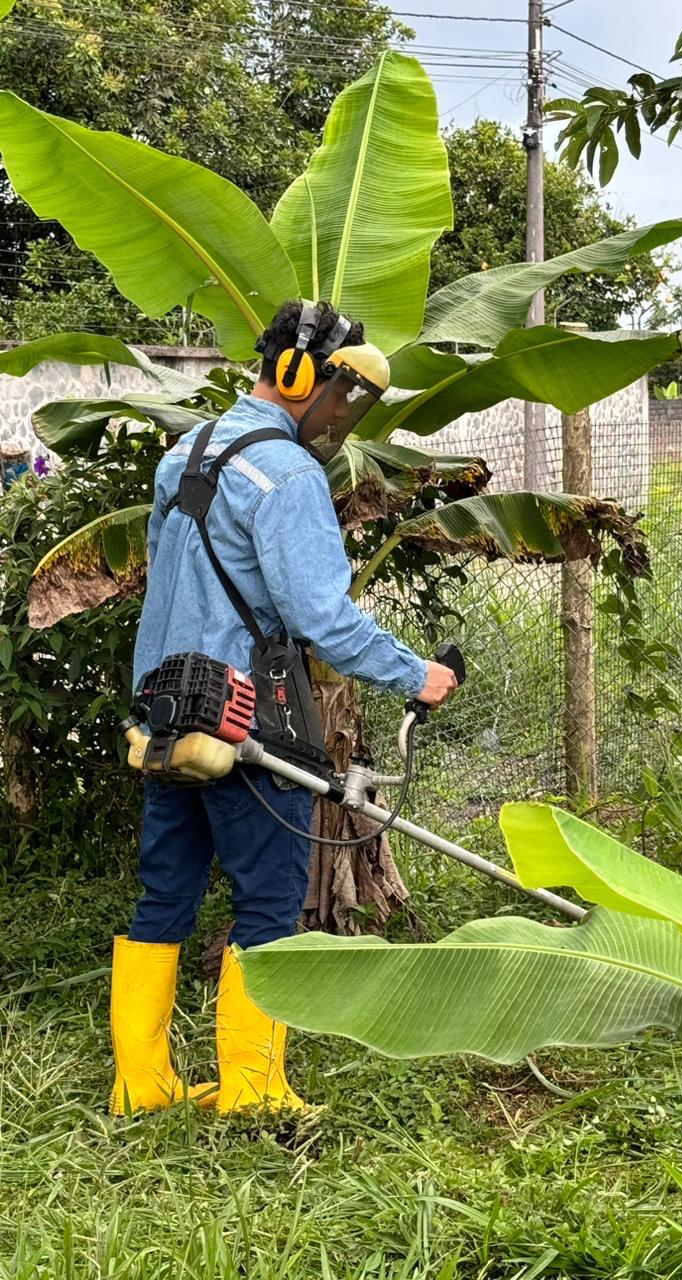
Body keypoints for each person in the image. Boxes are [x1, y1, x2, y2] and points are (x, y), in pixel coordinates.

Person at [109, 299, 457, 1116]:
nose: (342, 415)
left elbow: (167, 580)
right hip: (247, 721)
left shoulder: (187, 452)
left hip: (166, 712)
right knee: (267, 901)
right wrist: (416, 675)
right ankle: (253, 1090)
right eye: (341, 394)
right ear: (301, 376)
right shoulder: (290, 474)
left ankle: (140, 1085)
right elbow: (322, 617)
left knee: (165, 894)